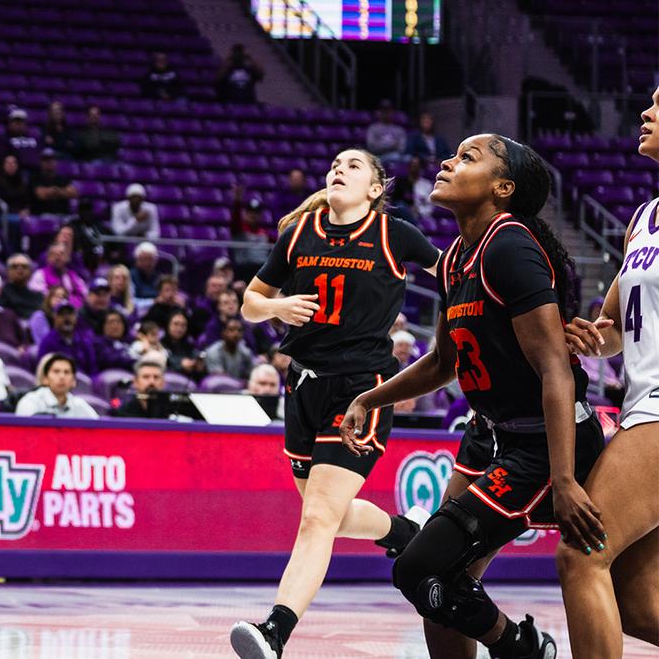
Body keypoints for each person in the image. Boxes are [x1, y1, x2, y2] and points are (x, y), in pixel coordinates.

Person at [338, 134, 604, 659]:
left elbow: (556, 370)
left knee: (418, 566)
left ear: (502, 188)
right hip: (489, 435)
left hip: (541, 442)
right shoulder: (457, 255)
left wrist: (565, 477)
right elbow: (443, 362)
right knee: (438, 589)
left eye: (467, 158)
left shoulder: (509, 245)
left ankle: (522, 646)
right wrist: (372, 398)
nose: (446, 162)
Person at [228, 147, 441, 659]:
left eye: (354, 165)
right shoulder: (299, 234)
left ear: (375, 189)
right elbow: (251, 303)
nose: (338, 170)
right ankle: (406, 531)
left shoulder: (395, 233)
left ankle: (275, 630)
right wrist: (278, 305)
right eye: (335, 165)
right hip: (302, 386)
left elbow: (456, 275)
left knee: (318, 518)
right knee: (325, 513)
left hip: (361, 388)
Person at [557, 86, 659, 656]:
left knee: (581, 552)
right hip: (639, 403)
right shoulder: (644, 217)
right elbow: (617, 324)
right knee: (641, 605)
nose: (645, 112)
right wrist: (592, 337)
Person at [15, 353, 97, 419]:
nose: (62, 377)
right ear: (45, 379)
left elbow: (99, 430)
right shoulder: (30, 401)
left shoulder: (79, 404)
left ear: (73, 381)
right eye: (56, 371)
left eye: (67, 372)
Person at [37, 303, 99, 377]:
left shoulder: (84, 341)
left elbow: (93, 369)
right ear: (55, 318)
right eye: (62, 315)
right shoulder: (47, 342)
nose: (66, 318)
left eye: (70, 314)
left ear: (76, 318)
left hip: (83, 384)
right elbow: (43, 371)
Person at [32, 242, 86, 308]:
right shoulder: (40, 274)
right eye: (54, 254)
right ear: (48, 258)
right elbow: (40, 297)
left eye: (61, 254)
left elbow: (84, 294)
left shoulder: (72, 276)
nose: (57, 257)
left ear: (67, 258)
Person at [29, 149, 77, 216]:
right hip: (42, 217)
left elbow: (73, 193)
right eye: (46, 159)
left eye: (52, 159)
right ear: (41, 162)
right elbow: (41, 195)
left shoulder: (62, 178)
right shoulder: (35, 178)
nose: (49, 162)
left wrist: (54, 191)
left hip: (63, 215)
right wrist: (63, 193)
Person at [0, 253, 43, 319]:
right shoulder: (1, 294)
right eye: (14, 266)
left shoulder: (38, 296)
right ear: (8, 271)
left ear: (30, 271)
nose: (20, 269)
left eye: (24, 266)